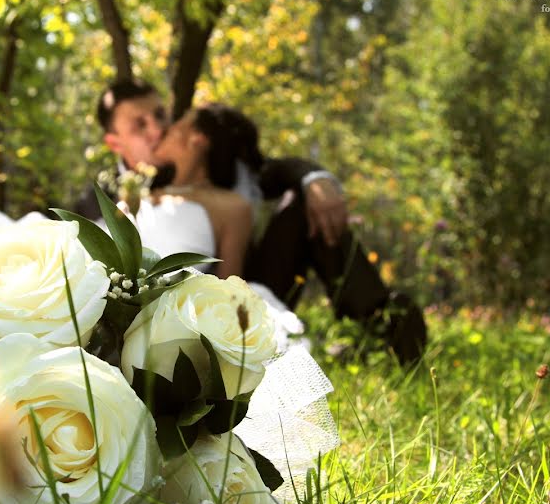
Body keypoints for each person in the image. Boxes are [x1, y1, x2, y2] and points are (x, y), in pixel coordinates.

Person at [85, 79, 427, 365]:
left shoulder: (223, 171)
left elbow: (273, 169)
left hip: (240, 286)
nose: (158, 128)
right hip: (145, 302)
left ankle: (381, 321)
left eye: (160, 115)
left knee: (305, 202)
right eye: (139, 125)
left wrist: (316, 179)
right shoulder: (100, 197)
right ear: (115, 142)